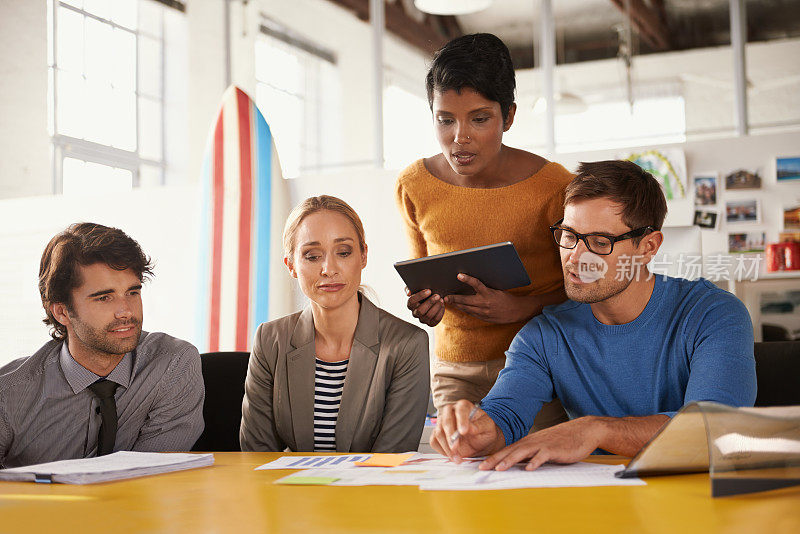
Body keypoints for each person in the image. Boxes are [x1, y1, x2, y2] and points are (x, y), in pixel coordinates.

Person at [431, 160, 757, 471]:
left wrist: (596, 430)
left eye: (599, 242)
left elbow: (716, 426)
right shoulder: (544, 335)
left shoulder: (712, 314)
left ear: (648, 247)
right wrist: (476, 430)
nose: (575, 257)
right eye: (569, 236)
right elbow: (505, 414)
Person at [395, 33, 571, 428]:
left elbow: (586, 289)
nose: (460, 137)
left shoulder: (554, 187)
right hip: (453, 369)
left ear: (508, 116)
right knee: (461, 478)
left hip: (538, 363)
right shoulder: (414, 185)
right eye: (445, 120)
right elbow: (421, 276)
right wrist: (425, 305)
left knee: (532, 478)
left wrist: (521, 307)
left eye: (479, 118)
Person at [0, 223, 204, 468]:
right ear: (62, 312)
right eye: (104, 297)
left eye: (132, 292)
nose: (125, 311)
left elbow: (151, 479)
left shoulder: (172, 365)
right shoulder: (8, 396)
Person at [240, 195, 429, 453]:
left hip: (372, 492)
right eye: (312, 256)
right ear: (291, 265)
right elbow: (256, 454)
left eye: (343, 252)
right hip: (290, 491)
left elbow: (390, 460)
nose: (329, 269)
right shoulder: (270, 339)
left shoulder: (407, 344)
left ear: (363, 255)